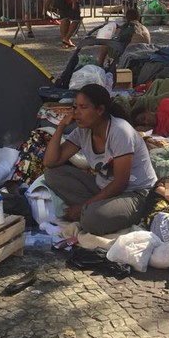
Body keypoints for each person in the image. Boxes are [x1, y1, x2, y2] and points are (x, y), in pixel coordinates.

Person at [43, 84, 158, 235]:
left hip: (134, 194)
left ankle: (95, 211)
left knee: (91, 220)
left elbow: (120, 183)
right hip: (103, 188)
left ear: (100, 110)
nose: (77, 113)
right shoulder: (82, 132)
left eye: (83, 107)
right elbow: (50, 162)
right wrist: (61, 126)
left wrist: (83, 206)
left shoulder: (120, 132)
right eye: (75, 107)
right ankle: (95, 209)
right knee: (52, 174)